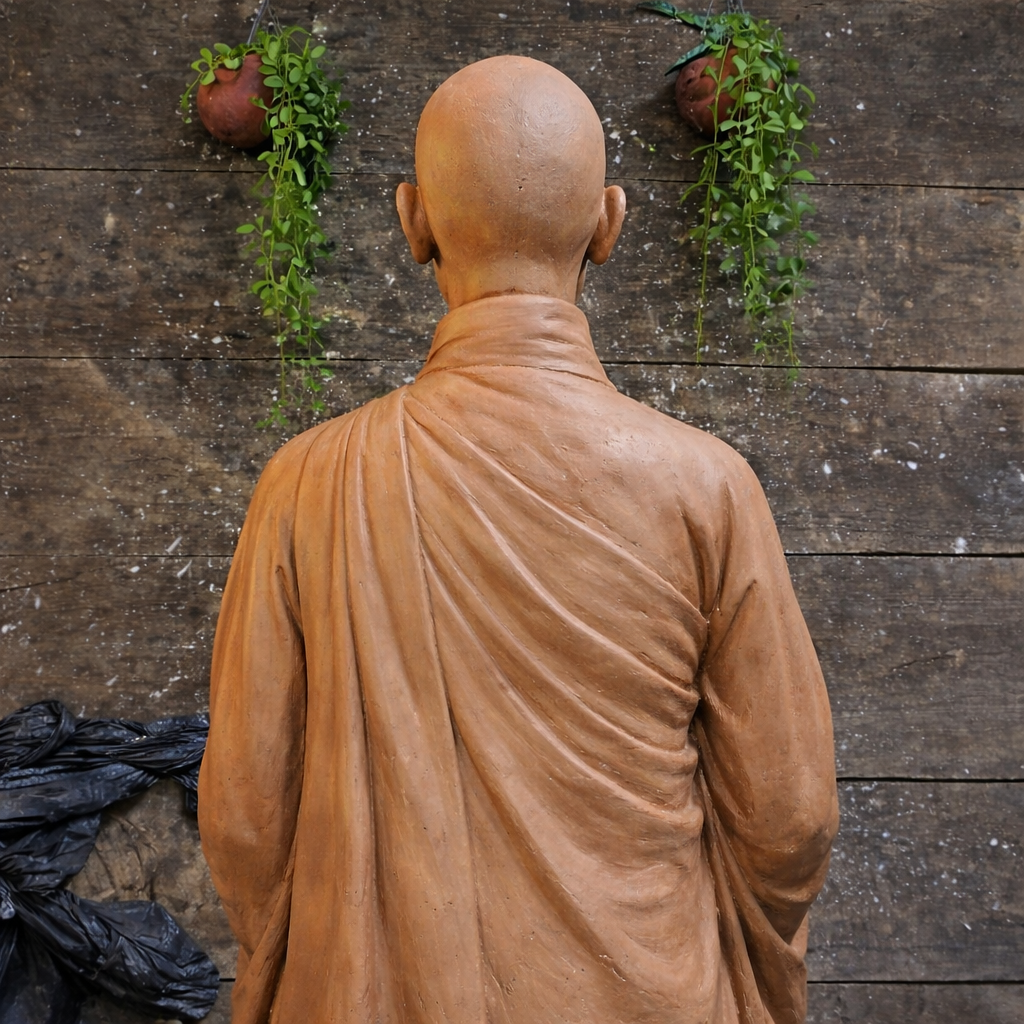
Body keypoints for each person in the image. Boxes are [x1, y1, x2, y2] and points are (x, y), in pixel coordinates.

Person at [199, 55, 838, 1024]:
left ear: (412, 222)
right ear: (609, 224)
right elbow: (788, 822)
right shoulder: (706, 486)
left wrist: (347, 950)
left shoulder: (306, 484)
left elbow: (245, 822)